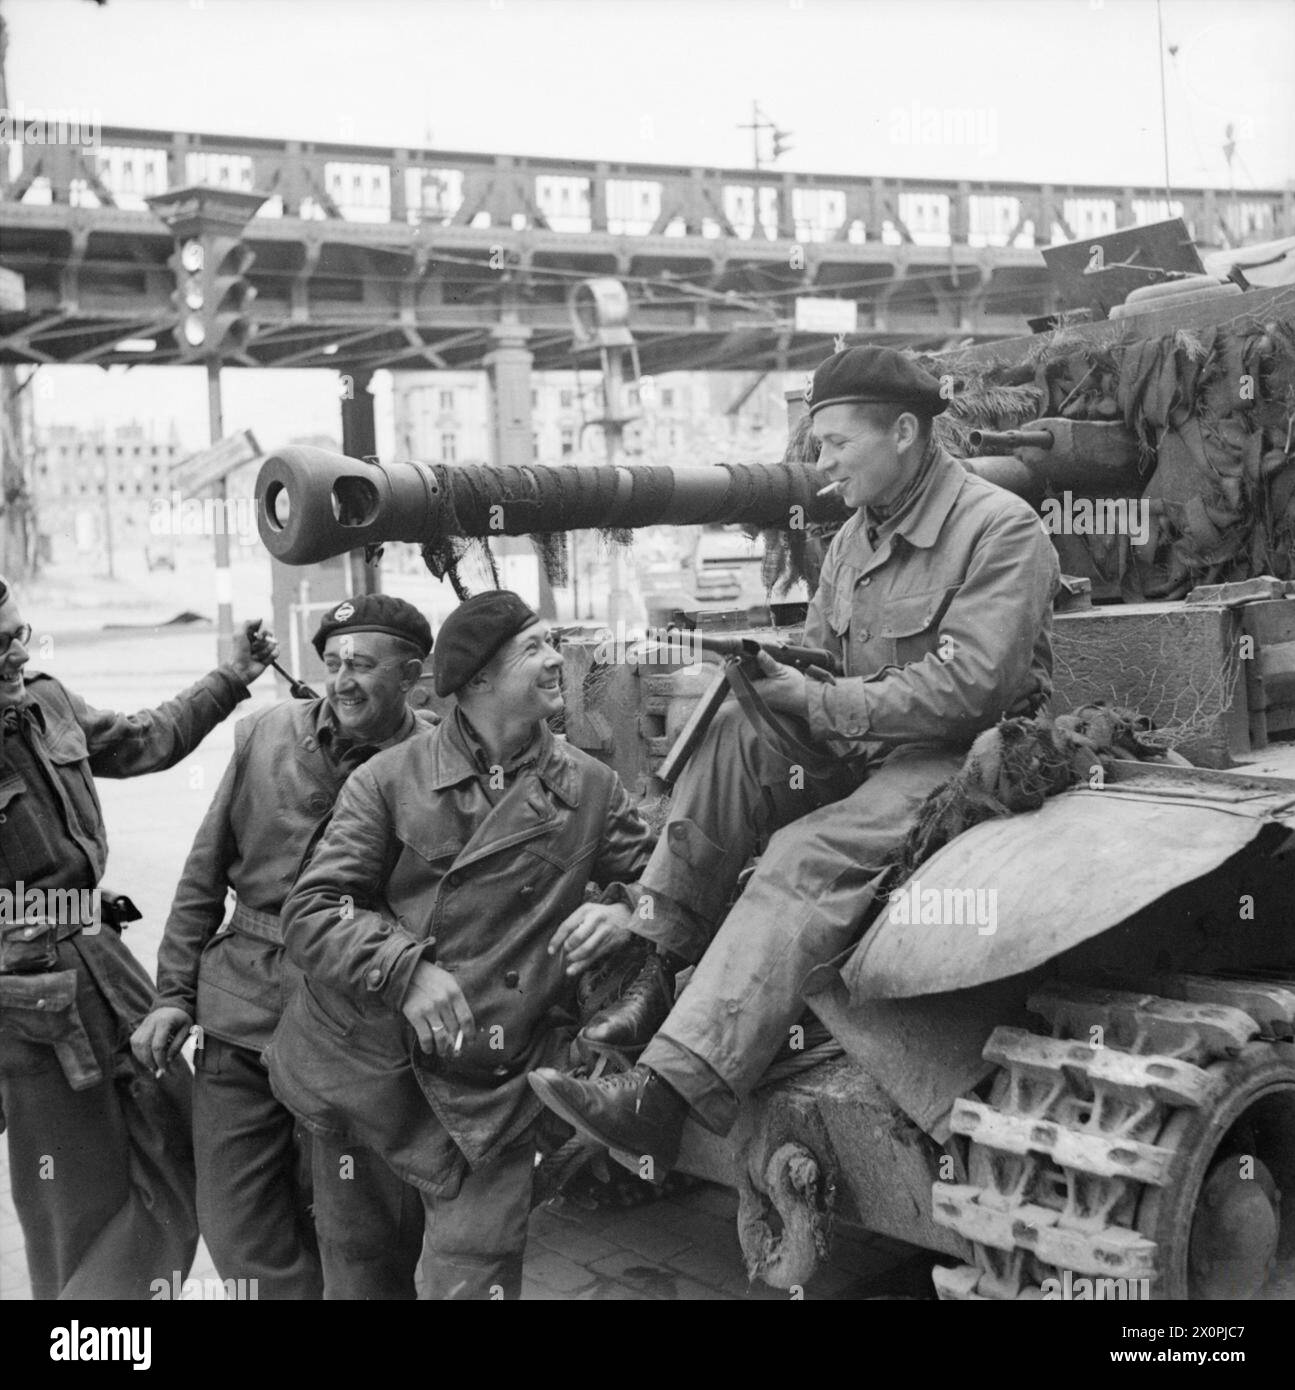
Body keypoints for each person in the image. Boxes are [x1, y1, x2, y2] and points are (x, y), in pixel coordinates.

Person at [528, 345, 1062, 1173]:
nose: (819, 468)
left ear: (907, 434)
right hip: (863, 743)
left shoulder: (998, 528)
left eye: (834, 446)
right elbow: (822, 656)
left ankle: (663, 1097)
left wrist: (818, 702)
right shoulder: (854, 538)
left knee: (804, 853)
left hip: (955, 761)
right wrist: (773, 677)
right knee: (735, 727)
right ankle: (656, 960)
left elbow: (971, 691)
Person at [265, 590, 652, 1299]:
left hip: (494, 1084)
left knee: (471, 1281)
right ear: (476, 681)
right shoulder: (385, 780)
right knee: (359, 1269)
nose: (554, 660)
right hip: (368, 1068)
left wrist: (630, 908)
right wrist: (404, 971)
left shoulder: (590, 788)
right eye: (534, 649)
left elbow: (673, 877)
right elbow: (314, 911)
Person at [132, 595, 436, 1300]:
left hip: (357, 1028)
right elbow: (202, 875)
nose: (342, 681)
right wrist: (172, 997)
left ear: (412, 674)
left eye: (362, 665)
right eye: (332, 664)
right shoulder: (266, 734)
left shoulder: (433, 763)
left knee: (364, 1234)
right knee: (236, 1226)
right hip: (243, 1009)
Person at [0, 574, 275, 1300]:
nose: (14, 660)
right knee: (73, 1197)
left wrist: (231, 678)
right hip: (29, 1007)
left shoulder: (44, 700)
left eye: (17, 637)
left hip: (104, 967)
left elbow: (144, 740)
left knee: (182, 1139)